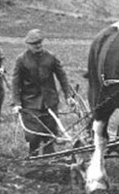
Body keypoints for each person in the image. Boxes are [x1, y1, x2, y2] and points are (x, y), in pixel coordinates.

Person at [11, 28, 75, 156]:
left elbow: (62, 77)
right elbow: (15, 83)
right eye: (35, 44)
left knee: (50, 135)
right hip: (30, 103)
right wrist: (17, 103)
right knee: (33, 136)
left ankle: (49, 161)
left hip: (49, 102)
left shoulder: (51, 57)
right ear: (28, 45)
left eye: (40, 42)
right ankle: (33, 159)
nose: (38, 46)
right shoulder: (21, 60)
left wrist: (68, 96)